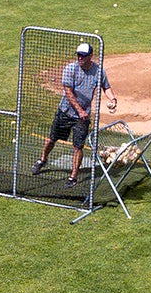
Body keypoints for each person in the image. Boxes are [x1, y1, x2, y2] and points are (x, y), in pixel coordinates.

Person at [31, 42, 117, 187]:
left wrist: (113, 99)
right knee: (52, 139)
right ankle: (42, 159)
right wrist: (80, 111)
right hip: (65, 112)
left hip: (82, 118)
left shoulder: (99, 71)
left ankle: (73, 177)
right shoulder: (70, 69)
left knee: (78, 147)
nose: (80, 58)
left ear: (90, 56)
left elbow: (106, 86)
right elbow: (69, 93)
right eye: (78, 55)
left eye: (83, 55)